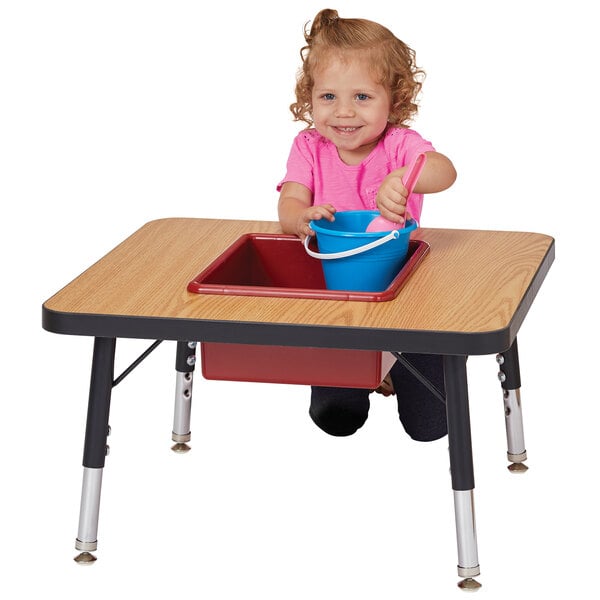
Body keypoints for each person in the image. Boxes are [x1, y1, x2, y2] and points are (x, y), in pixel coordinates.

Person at [277, 8, 457, 440]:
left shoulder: (400, 145)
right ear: (310, 97)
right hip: (338, 299)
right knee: (335, 418)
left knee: (431, 427)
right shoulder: (309, 146)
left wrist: (406, 175)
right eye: (328, 97)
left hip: (408, 296)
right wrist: (300, 217)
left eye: (362, 97)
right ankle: (370, 366)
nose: (343, 113)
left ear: (393, 99)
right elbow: (290, 204)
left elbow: (444, 170)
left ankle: (402, 364)